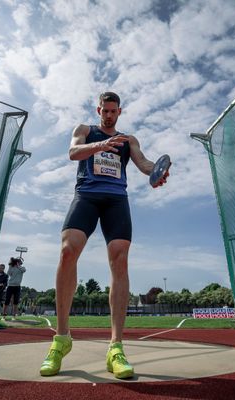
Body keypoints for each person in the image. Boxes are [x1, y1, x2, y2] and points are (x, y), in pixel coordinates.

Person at [39, 91, 169, 379]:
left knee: (119, 260)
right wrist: (101, 144)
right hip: (86, 196)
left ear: (119, 112)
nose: (108, 115)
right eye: (105, 110)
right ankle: (61, 339)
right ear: (99, 109)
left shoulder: (128, 140)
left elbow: (144, 164)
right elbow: (73, 153)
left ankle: (116, 347)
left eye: (113, 111)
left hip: (115, 201)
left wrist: (156, 173)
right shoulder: (84, 130)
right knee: (67, 251)